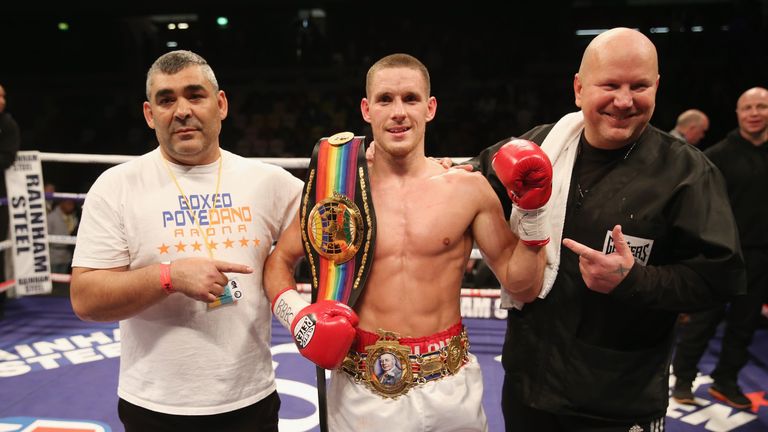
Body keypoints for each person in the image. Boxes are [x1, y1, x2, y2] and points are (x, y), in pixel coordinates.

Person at [467, 28, 745, 431]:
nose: (624, 100)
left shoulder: (687, 173)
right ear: (579, 88)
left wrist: (636, 279)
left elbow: (721, 279)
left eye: (639, 86)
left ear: (657, 87)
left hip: (618, 400)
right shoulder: (542, 145)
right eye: (610, 85)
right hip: (529, 387)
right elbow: (469, 180)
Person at [264, 53, 551, 432]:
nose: (398, 112)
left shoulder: (467, 188)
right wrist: (298, 318)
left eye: (411, 99)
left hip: (449, 387)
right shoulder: (339, 190)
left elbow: (523, 286)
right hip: (360, 392)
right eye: (385, 99)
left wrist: (533, 217)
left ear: (430, 108)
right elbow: (278, 262)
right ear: (367, 110)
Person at [70, 50, 303, 432]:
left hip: (250, 399)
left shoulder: (269, 182)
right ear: (149, 114)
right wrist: (169, 276)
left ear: (221, 104)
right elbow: (85, 298)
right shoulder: (116, 187)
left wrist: (394, 164)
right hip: (155, 405)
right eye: (166, 99)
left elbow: (341, 210)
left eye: (195, 95)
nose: (181, 110)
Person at [671, 86, 768, 409]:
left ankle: (727, 381)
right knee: (702, 320)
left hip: (760, 256)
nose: (754, 113)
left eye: (761, 107)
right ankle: (683, 379)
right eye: (748, 107)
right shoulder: (716, 156)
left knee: (744, 324)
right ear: (738, 113)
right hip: (716, 254)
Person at [0, 83, 21, 320]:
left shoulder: (7, 125)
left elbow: (6, 159)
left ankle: (1, 302)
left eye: (4, 95)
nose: (2, 99)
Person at [47, 198, 79, 274]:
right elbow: (46, 236)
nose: (71, 206)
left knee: (63, 283)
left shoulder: (73, 217)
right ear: (62, 203)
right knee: (53, 282)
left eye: (72, 204)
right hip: (53, 255)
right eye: (69, 204)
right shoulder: (51, 217)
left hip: (67, 256)